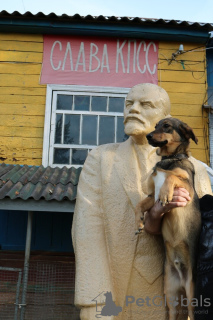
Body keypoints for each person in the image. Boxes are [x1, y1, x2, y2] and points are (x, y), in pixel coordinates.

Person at [72, 83, 212, 320]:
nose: (133, 109)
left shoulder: (195, 169)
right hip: (116, 297)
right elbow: (87, 230)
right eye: (129, 104)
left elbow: (207, 238)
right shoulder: (101, 159)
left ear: (164, 117)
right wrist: (93, 301)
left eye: (145, 104)